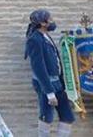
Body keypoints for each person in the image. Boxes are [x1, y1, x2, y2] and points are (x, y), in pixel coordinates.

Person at [26, 9, 75, 137]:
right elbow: (38, 67)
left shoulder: (46, 36)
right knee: (46, 116)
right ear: (43, 23)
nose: (52, 21)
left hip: (57, 83)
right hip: (45, 84)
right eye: (50, 18)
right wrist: (49, 92)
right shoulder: (34, 39)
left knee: (67, 116)